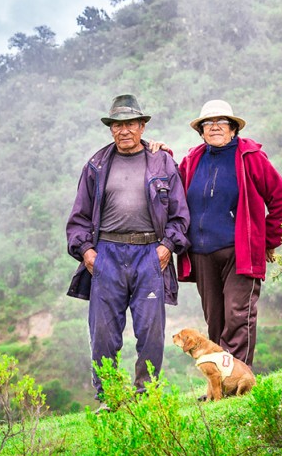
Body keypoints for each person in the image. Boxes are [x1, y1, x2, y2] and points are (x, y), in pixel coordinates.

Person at [65, 94, 190, 405]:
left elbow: (180, 214)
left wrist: (167, 246)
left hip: (150, 254)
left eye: (130, 124)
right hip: (106, 254)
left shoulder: (162, 163)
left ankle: (146, 395)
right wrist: (87, 252)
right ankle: (109, 397)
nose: (123, 130)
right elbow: (79, 218)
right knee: (104, 332)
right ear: (111, 129)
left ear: (142, 126)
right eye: (117, 125)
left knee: (151, 330)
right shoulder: (96, 165)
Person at [172, 99, 282, 369]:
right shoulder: (192, 160)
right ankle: (220, 380)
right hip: (202, 253)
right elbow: (173, 192)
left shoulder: (250, 157)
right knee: (215, 320)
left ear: (233, 128)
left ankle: (236, 379)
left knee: (238, 315)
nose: (214, 127)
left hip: (241, 252)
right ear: (201, 131)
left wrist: (268, 241)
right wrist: (159, 153)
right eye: (208, 123)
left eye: (221, 122)